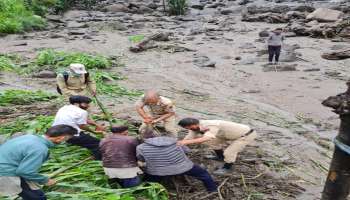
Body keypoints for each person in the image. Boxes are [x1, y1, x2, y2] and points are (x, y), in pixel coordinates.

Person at [0, 125, 77, 200]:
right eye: (66, 139)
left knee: (32, 193)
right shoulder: (40, 148)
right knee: (37, 197)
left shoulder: (31, 137)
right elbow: (25, 172)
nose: (65, 141)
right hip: (6, 172)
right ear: (61, 138)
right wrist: (45, 180)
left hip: (7, 166)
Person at [136, 129, 217, 192]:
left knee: (150, 182)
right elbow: (187, 151)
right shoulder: (174, 141)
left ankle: (147, 193)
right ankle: (212, 190)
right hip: (183, 167)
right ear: (157, 136)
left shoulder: (141, 147)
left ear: (144, 139)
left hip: (158, 171)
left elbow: (141, 159)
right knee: (204, 174)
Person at [177, 118, 257, 175]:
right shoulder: (194, 128)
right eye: (186, 128)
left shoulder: (210, 125)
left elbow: (207, 138)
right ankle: (220, 157)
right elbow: (189, 137)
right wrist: (179, 144)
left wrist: (187, 142)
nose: (189, 129)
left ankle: (227, 168)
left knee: (229, 152)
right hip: (227, 134)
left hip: (245, 135)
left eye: (188, 127)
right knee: (212, 143)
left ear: (194, 124)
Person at [52, 95, 105, 159]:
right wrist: (94, 132)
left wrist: (96, 125)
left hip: (54, 131)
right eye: (85, 104)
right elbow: (82, 126)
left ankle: (71, 142)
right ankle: (99, 158)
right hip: (70, 134)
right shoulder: (82, 112)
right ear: (76, 103)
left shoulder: (64, 108)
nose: (88, 106)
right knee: (98, 144)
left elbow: (84, 120)